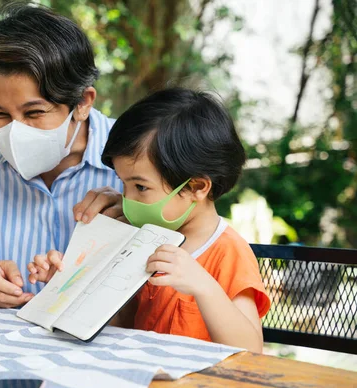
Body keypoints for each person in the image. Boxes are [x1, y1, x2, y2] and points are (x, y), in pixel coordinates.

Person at [28, 88, 271, 352]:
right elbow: (119, 326)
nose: (127, 200)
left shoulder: (228, 253)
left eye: (141, 188)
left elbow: (252, 351)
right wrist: (65, 284)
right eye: (124, 185)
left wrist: (204, 287)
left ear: (197, 187)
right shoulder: (140, 239)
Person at [0, 3, 123, 308]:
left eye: (34, 112)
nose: (15, 132)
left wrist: (136, 216)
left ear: (83, 103)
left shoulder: (133, 165)